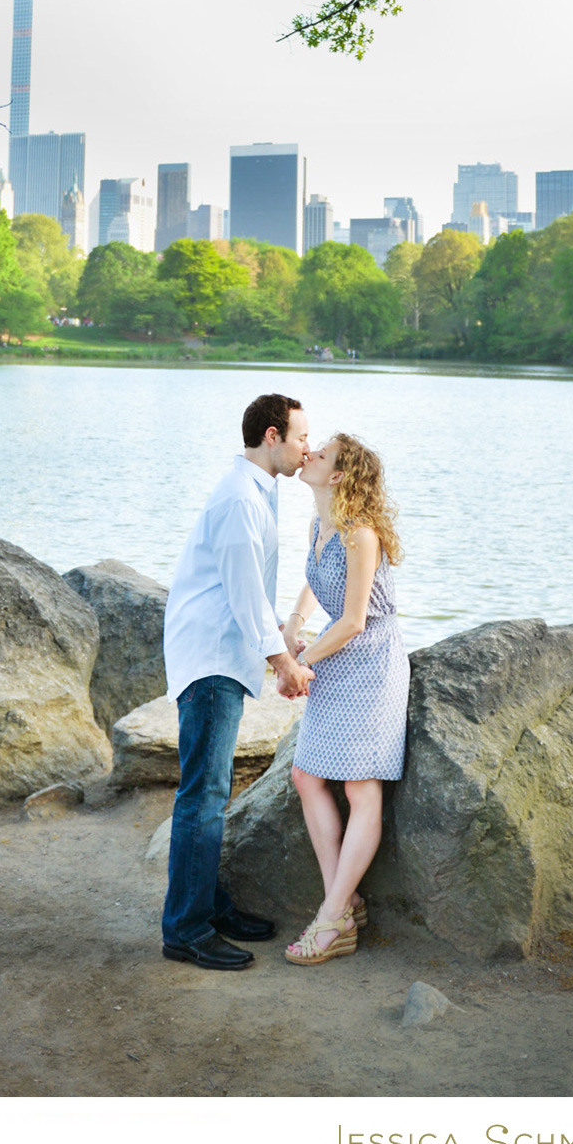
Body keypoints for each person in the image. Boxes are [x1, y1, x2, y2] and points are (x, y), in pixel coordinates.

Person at [160, 392, 315, 971]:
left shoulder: (255, 493)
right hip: (210, 662)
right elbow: (245, 595)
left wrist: (281, 635)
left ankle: (210, 905)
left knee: (211, 793)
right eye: (301, 437)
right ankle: (185, 929)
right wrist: (284, 664)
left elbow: (245, 589)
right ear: (272, 437)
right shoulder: (238, 500)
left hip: (222, 653)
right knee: (201, 797)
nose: (308, 447)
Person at [280, 432, 409, 965]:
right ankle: (344, 901)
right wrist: (295, 622)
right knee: (306, 776)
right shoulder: (320, 523)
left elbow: (355, 619)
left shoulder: (361, 534)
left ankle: (330, 920)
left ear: (338, 476)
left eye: (322, 453)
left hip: (371, 660)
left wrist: (299, 663)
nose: (307, 453)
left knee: (360, 786)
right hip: (337, 658)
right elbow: (318, 583)